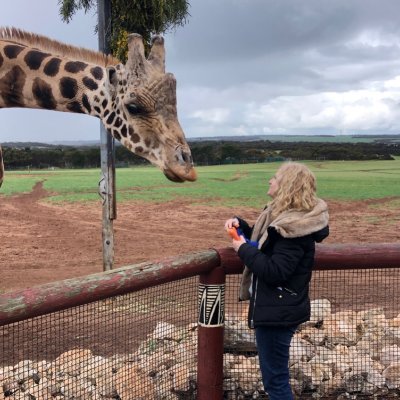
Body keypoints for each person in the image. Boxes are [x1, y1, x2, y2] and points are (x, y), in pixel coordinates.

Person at [224, 162, 329, 400]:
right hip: (278, 308)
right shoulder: (285, 219)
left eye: (274, 178)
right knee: (275, 378)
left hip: (277, 313)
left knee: (276, 382)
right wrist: (241, 225)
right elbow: (267, 244)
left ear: (287, 186)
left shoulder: (292, 229)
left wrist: (242, 249)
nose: (269, 181)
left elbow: (275, 270)